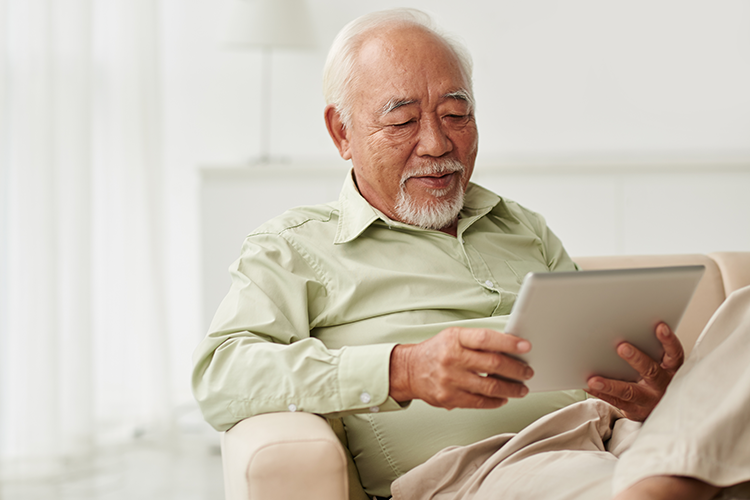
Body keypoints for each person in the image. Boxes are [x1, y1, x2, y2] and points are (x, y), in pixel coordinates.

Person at [192, 9, 750, 500]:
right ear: (343, 132)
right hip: (491, 468)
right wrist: (404, 369)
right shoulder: (293, 247)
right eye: (402, 119)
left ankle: (669, 474)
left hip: (615, 439)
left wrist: (651, 395)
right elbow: (222, 376)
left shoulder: (521, 226)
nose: (436, 143)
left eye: (456, 114)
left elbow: (602, 372)